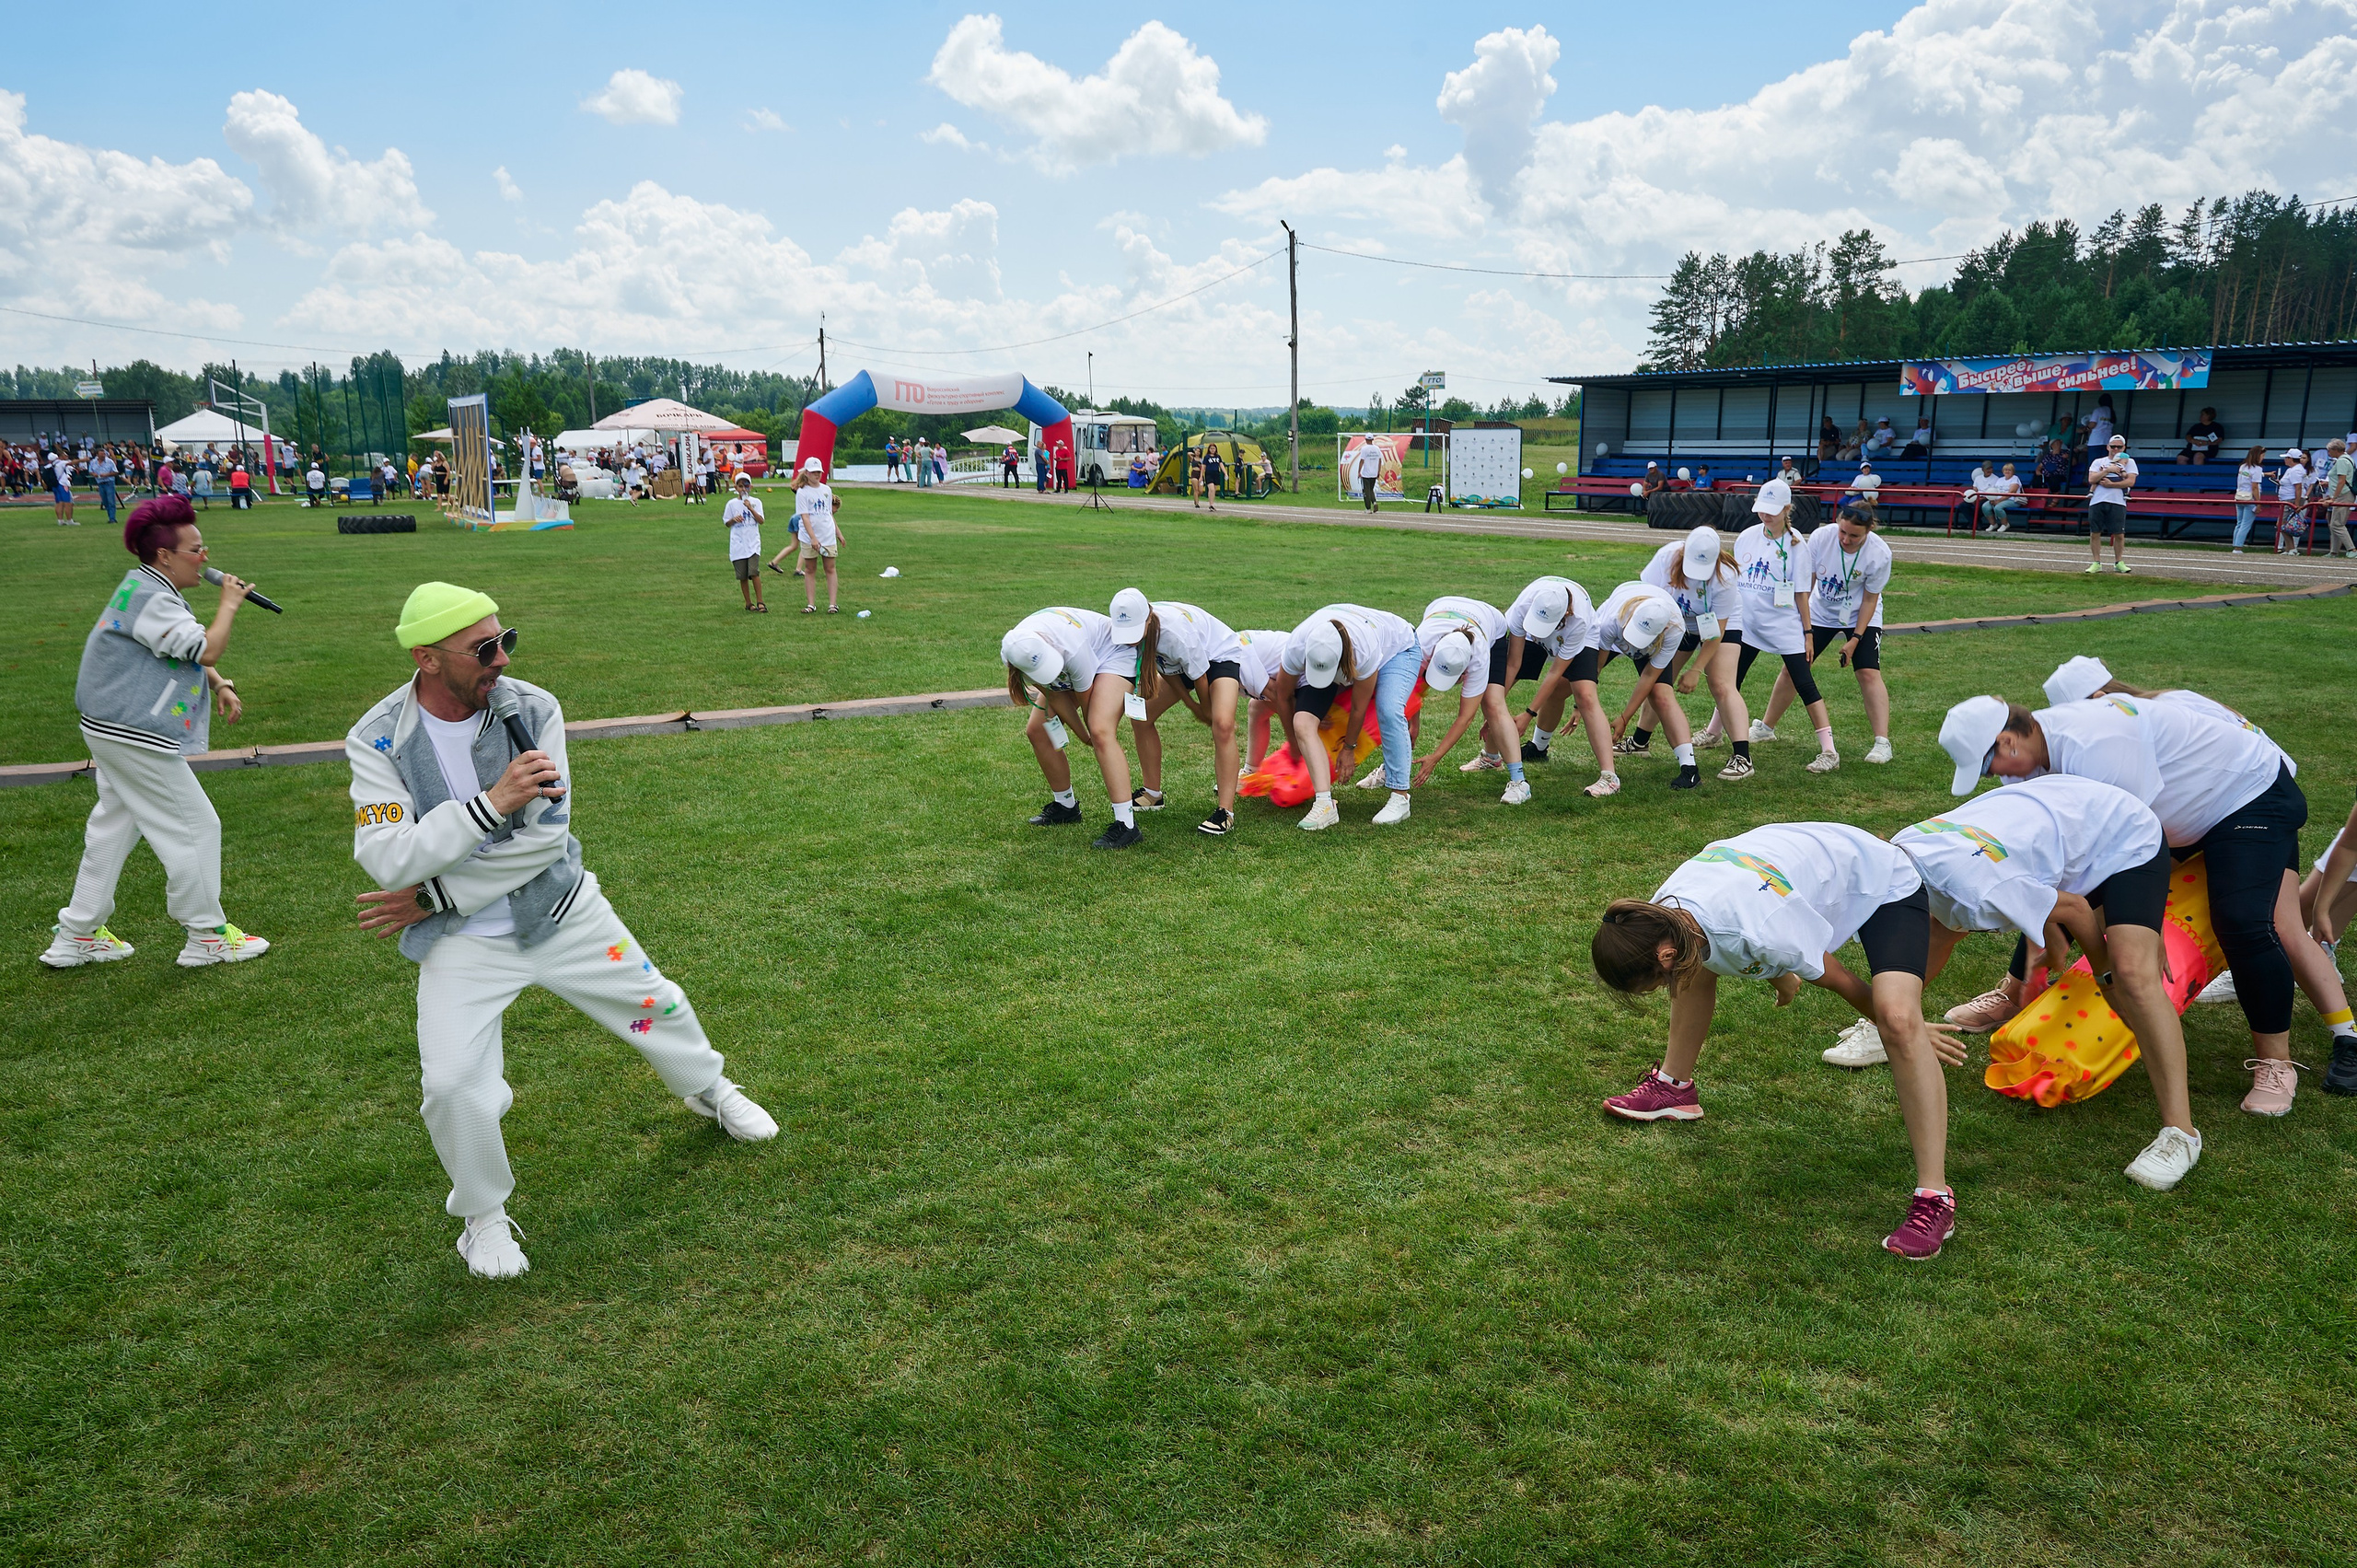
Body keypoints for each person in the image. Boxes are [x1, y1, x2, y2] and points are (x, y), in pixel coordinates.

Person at [348, 582, 779, 1279]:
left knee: (656, 1005)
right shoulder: (376, 738)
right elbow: (386, 856)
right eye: (484, 648)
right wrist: (491, 807)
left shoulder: (533, 707)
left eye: (505, 639)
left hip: (560, 909)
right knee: (453, 1086)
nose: (503, 658)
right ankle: (483, 1217)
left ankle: (709, 1088)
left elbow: (546, 839)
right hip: (462, 943)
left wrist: (438, 890)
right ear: (428, 658)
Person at [1949, 668, 2357, 1108]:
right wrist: (2049, 924)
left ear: (2008, 742)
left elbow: (2139, 843)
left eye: (1988, 767)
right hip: (2176, 814)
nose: (1992, 777)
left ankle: (2275, 1064)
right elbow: (2068, 866)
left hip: (2247, 796)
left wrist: (2149, 929)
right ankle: (2014, 992)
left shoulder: (2097, 743)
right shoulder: (2032, 760)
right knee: (2070, 898)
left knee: (2242, 920)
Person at [1589, 823, 1966, 1259]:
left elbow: (1840, 979)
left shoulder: (1755, 929)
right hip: (1790, 879)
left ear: (1662, 956)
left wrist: (1908, 1033)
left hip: (1881, 880)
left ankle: (1936, 1198)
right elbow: (1759, 936)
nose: (1658, 991)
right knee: (1696, 957)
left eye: (1652, 984)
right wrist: (1779, 973)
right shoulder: (1658, 918)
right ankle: (1674, 1088)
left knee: (1897, 1017)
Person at [1909, 735, 2200, 1189]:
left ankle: (2180, 1134)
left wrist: (2105, 972)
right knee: (1941, 927)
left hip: (2124, 833)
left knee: (2132, 977)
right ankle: (1892, 1022)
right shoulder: (1909, 849)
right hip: (2063, 825)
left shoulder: (1977, 892)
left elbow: (2074, 910)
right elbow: (2039, 885)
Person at [39, 495, 270, 970]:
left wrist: (220, 683)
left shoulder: (144, 588)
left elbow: (178, 650)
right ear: (165, 555)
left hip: (110, 726)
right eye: (197, 549)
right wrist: (229, 605)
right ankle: (206, 935)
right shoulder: (152, 597)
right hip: (131, 730)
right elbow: (202, 648)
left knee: (115, 825)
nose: (205, 558)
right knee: (197, 825)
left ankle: (77, 934)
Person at [1000, 604, 1146, 849]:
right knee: (1038, 730)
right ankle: (1065, 806)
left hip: (1111, 655)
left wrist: (1090, 736)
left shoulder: (1071, 646)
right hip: (1075, 663)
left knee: (1101, 731)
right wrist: (1081, 736)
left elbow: (1087, 704)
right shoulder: (1013, 651)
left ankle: (1127, 825)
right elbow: (1053, 691)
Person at [1266, 604, 1421, 830]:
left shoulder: (1363, 650)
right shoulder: (1297, 645)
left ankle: (1400, 797)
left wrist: (1349, 748)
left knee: (1388, 709)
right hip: (1350, 645)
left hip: (1400, 650)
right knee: (1303, 721)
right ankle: (1324, 805)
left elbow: (1358, 707)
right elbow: (1283, 694)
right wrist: (1294, 743)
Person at [1108, 590, 1248, 835]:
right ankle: (1152, 795)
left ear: (1148, 619)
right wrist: (1190, 705)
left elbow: (1201, 675)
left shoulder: (1175, 634)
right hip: (1185, 665)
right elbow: (1172, 671)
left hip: (1218, 656)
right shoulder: (1132, 622)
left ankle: (1225, 812)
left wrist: (1205, 710)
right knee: (1141, 717)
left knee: (1223, 725)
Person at [1762, 506, 1893, 764]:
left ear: (1869, 531)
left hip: (1860, 614)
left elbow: (1869, 600)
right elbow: (1807, 583)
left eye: (1854, 536)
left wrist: (1854, 640)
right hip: (1821, 612)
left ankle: (1882, 743)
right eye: (1843, 532)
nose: (1845, 540)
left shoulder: (1880, 554)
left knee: (1867, 673)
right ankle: (1766, 728)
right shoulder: (1822, 538)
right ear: (1837, 523)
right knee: (1793, 668)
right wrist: (1805, 625)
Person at [1733, 480, 1840, 772]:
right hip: (1747, 624)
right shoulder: (1746, 536)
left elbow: (1801, 594)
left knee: (1804, 683)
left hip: (1783, 625)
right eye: (1761, 510)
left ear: (1786, 508)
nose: (1765, 516)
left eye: (1771, 511)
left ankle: (1829, 751)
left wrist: (1808, 633)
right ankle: (1715, 731)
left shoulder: (1797, 546)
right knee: (1730, 681)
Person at [1635, 526, 1753, 782]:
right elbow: (1645, 597)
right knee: (1659, 682)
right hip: (1679, 622)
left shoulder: (1726, 576)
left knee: (1721, 684)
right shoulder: (1666, 557)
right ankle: (1639, 742)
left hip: (1719, 624)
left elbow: (1716, 633)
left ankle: (1743, 757)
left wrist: (1696, 669)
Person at [1505, 576, 1628, 797]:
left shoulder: (1579, 619)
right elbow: (1513, 664)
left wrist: (1528, 713)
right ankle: (1493, 756)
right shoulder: (1522, 608)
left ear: (1566, 614)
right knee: (1502, 683)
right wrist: (1497, 702)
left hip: (1581, 635)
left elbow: (1555, 673)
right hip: (1538, 621)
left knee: (1585, 695)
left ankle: (1610, 777)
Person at [1403, 596, 1530, 805]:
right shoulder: (1421, 644)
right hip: (1442, 606)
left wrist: (1435, 757)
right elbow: (1411, 686)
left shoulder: (1479, 657)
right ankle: (1392, 769)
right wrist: (1413, 723)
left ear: (1466, 671)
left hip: (1491, 624)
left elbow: (1465, 718)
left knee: (1493, 704)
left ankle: (1520, 783)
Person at [1593, 580, 1701, 790]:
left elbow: (1649, 677)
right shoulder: (1612, 620)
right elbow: (1594, 669)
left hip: (1656, 642)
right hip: (1617, 625)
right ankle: (1539, 745)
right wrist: (1581, 706)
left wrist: (1625, 718)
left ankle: (1690, 770)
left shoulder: (1675, 628)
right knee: (1569, 681)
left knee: (1661, 695)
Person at [786, 458, 842, 612]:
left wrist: (839, 533)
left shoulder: (826, 490)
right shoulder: (802, 493)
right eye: (813, 472)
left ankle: (832, 604)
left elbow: (829, 514)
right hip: (809, 536)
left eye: (819, 472)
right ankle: (811, 604)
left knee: (830, 568)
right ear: (807, 473)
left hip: (827, 535)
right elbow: (805, 517)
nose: (817, 475)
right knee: (810, 569)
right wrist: (813, 538)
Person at [2084, 434, 2135, 573]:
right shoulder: (2098, 461)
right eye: (2113, 446)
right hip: (2098, 500)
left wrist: (2111, 484)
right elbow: (2092, 479)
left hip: (2118, 501)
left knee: (2119, 533)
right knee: (2095, 532)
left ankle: (2118, 562)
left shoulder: (2129, 462)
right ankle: (2096, 562)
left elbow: (2130, 481)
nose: (2116, 449)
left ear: (2124, 448)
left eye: (2119, 447)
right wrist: (2107, 470)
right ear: (2108, 447)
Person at [723, 473, 766, 613]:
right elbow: (727, 523)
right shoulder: (731, 504)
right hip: (738, 544)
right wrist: (733, 520)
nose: (743, 489)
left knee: (754, 572)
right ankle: (748, 603)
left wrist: (750, 508)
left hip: (753, 543)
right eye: (740, 486)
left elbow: (761, 520)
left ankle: (760, 601)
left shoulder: (756, 502)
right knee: (743, 575)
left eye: (746, 486)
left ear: (751, 487)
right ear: (735, 487)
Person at [2230, 445, 2269, 553]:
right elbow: (2255, 487)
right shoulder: (2257, 468)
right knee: (2246, 524)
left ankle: (2235, 544)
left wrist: (2265, 474)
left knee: (2239, 523)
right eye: (2263, 455)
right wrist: (2259, 503)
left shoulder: (2243, 466)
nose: (2263, 458)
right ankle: (2238, 547)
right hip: (2250, 498)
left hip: (2239, 496)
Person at [2274, 447, 2311, 554]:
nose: (2285, 460)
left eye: (2287, 458)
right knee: (2285, 525)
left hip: (2291, 500)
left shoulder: (2296, 470)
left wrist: (2296, 504)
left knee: (2281, 524)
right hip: (2288, 499)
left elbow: (2298, 487)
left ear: (2291, 458)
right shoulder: (2293, 469)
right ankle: (2290, 548)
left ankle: (2292, 548)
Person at [2322, 437, 2354, 557]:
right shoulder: (2347, 459)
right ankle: (2334, 551)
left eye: (2329, 450)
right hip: (2343, 494)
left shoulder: (2342, 461)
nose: (2328, 453)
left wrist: (2333, 498)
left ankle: (2352, 549)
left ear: (2336, 450)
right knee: (2335, 524)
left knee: (2337, 524)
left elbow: (2342, 481)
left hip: (2343, 495)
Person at [1351, 436, 1384, 511]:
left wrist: (1359, 471)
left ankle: (1368, 508)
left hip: (1366, 473)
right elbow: (1379, 461)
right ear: (1372, 439)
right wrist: (1378, 471)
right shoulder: (1377, 448)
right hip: (1374, 473)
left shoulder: (1364, 449)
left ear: (1366, 440)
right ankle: (1374, 502)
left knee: (1366, 491)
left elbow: (1362, 460)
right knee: (1371, 489)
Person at [91, 448, 120, 525]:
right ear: (97, 455)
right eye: (101, 454)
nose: (103, 456)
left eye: (104, 454)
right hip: (100, 483)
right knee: (105, 501)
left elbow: (115, 472)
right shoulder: (93, 462)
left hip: (109, 482)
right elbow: (91, 471)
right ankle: (110, 516)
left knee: (111, 501)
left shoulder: (110, 462)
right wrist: (94, 475)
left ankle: (112, 518)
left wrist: (107, 475)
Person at [50, 447, 76, 525]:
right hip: (63, 485)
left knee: (59, 503)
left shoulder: (52, 465)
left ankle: (60, 520)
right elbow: (71, 463)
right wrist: (84, 459)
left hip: (56, 485)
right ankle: (69, 520)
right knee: (68, 503)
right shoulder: (61, 463)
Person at [1200, 442, 1225, 511]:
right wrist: (1201, 476)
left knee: (1214, 489)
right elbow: (1203, 467)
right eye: (1211, 448)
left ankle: (1212, 503)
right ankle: (1210, 504)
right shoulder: (1207, 457)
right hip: (1209, 473)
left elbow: (1221, 465)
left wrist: (1225, 473)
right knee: (1211, 489)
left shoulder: (1218, 457)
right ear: (1209, 449)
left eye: (1214, 448)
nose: (1213, 450)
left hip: (1216, 473)